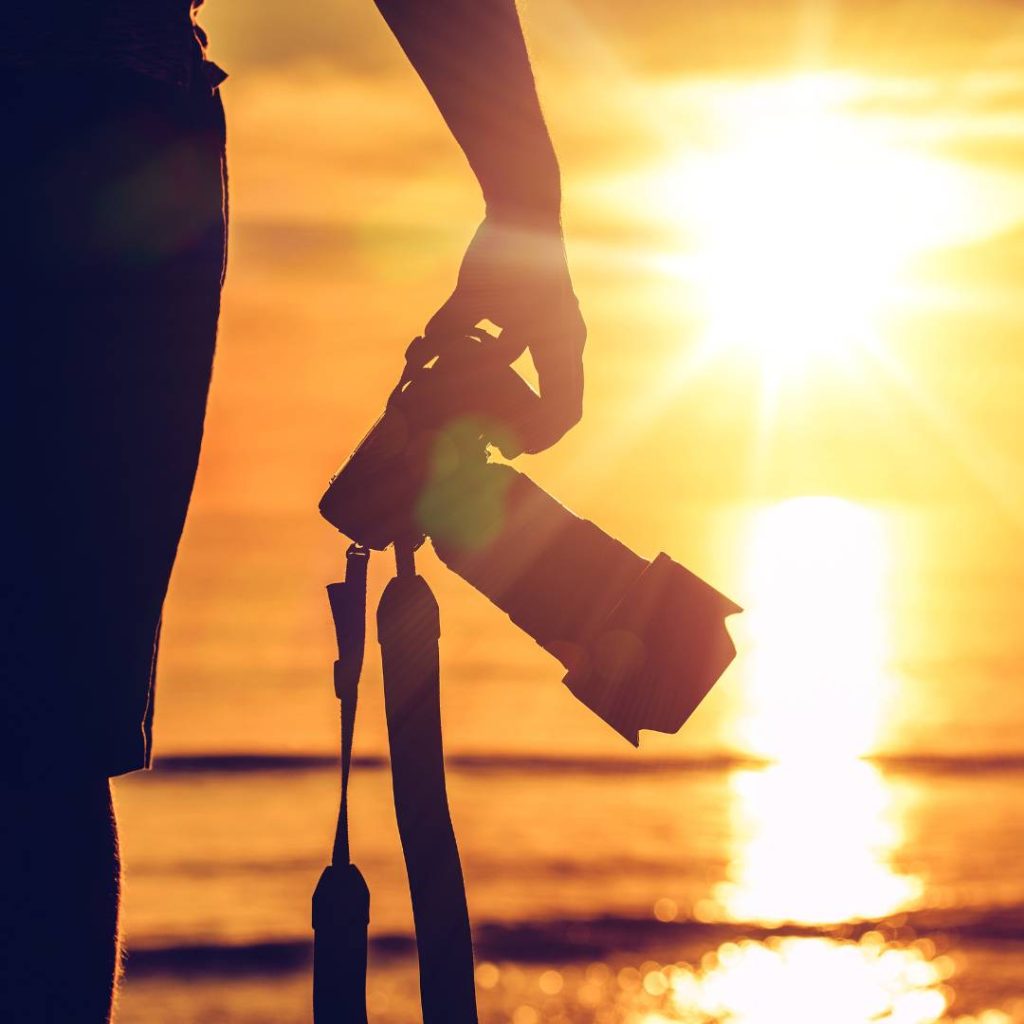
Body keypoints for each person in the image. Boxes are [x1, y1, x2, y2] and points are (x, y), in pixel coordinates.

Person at [0, 1, 585, 1020]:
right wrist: (524, 196)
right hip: (83, 102)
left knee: (35, 748)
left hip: (88, 104)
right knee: (34, 750)